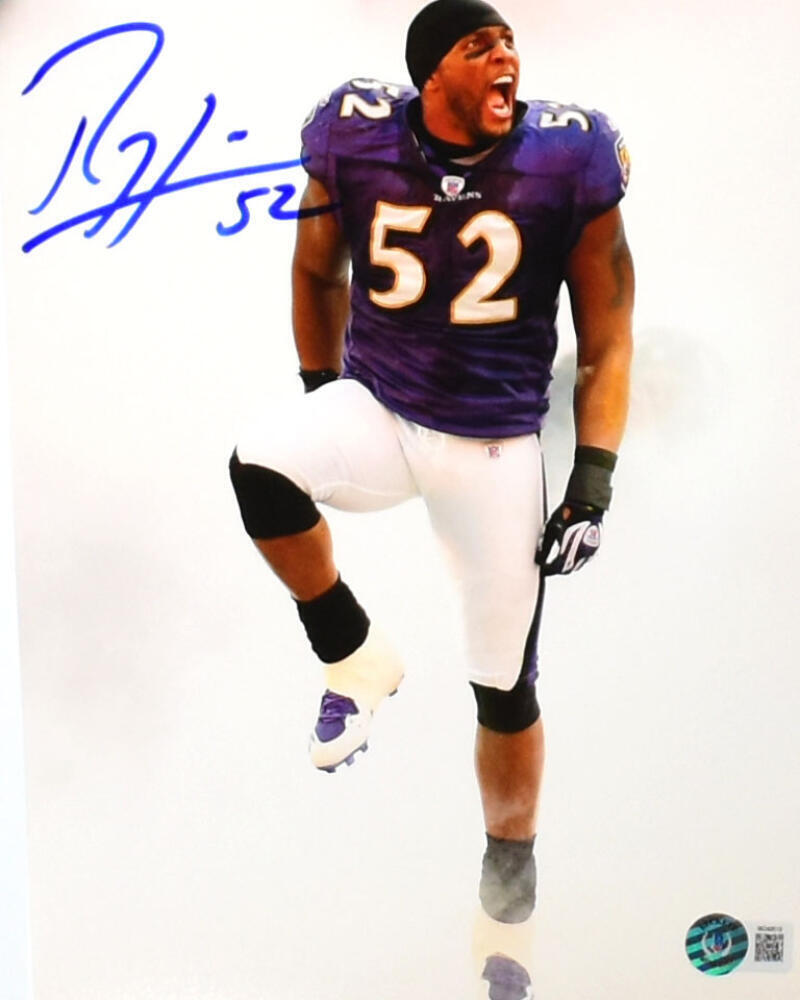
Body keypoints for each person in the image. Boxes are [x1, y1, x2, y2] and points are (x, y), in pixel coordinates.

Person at [229, 0, 633, 925]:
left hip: (492, 445)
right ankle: (354, 655)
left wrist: (591, 485)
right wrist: (322, 389)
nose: (505, 57)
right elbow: (316, 270)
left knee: (503, 683)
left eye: (509, 43)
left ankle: (509, 867)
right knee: (260, 466)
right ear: (432, 74)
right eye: (478, 45)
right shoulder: (354, 131)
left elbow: (608, 335)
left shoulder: (568, 155)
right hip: (381, 403)